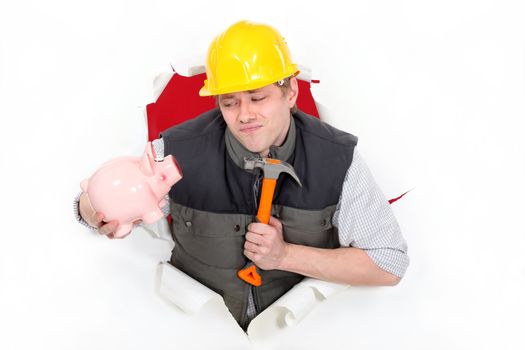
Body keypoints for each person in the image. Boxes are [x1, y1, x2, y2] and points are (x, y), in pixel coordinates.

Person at [74, 20, 409, 330]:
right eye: (230, 102)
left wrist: (286, 256)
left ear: (290, 91)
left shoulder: (337, 161)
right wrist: (95, 212)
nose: (244, 115)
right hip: (198, 328)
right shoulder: (176, 151)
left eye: (258, 97)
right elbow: (93, 210)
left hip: (297, 331)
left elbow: (388, 263)